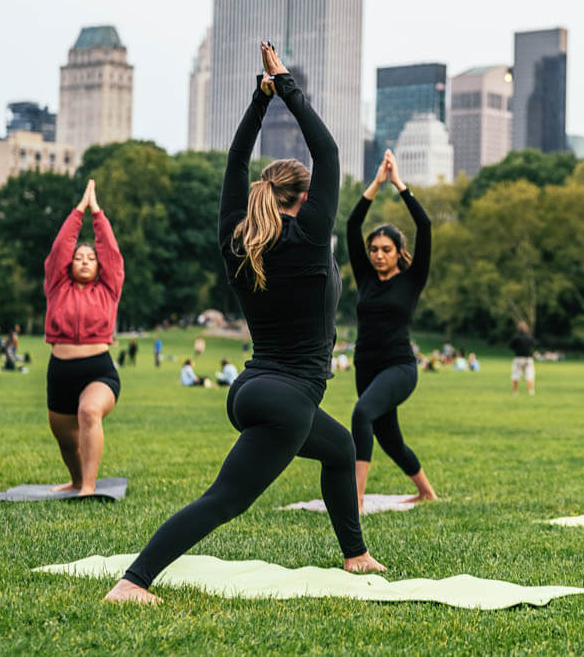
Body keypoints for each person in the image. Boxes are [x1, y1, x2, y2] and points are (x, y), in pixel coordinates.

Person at [105, 42, 381, 605]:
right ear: (302, 202)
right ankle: (132, 583)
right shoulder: (306, 239)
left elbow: (235, 164)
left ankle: (355, 553)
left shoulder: (236, 237)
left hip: (252, 389)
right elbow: (327, 152)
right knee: (225, 500)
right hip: (286, 397)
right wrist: (286, 89)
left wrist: (262, 102)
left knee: (338, 447)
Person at [345, 148, 437, 512]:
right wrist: (375, 184)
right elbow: (352, 226)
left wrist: (399, 184)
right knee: (389, 438)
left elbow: (426, 227)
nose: (378, 254)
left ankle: (356, 499)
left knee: (361, 414)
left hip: (399, 367)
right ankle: (427, 491)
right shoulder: (366, 278)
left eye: (385, 249)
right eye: (374, 249)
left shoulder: (412, 281)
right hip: (365, 365)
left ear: (399, 252)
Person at [43, 178, 126, 498]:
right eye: (79, 257)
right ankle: (77, 481)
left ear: (98, 266)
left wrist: (97, 213)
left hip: (98, 369)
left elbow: (112, 253)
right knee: (65, 437)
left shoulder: (108, 288)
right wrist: (78, 210)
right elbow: (60, 248)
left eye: (91, 258)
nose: (84, 261)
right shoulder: (56, 286)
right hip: (60, 370)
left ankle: (88, 487)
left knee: (89, 412)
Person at [511, 321, 535, 396]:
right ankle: (531, 392)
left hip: (518, 358)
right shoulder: (529, 337)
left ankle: (515, 392)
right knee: (530, 375)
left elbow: (511, 346)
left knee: (516, 375)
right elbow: (534, 345)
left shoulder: (516, 337)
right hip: (528, 358)